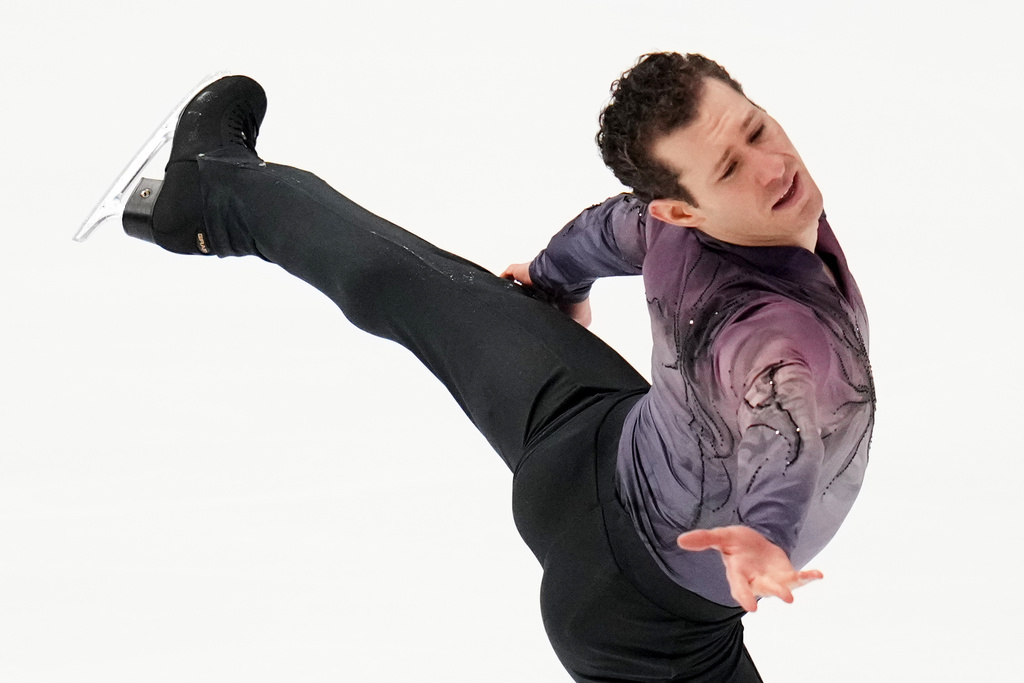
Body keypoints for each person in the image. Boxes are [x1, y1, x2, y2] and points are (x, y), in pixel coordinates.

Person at [102, 53, 874, 682]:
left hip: (591, 429)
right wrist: (765, 536)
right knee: (413, 283)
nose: (773, 168)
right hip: (648, 622)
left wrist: (549, 280)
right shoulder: (776, 335)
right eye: (733, 168)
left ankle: (218, 194)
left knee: (416, 285)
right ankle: (208, 192)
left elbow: (607, 230)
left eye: (758, 131)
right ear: (682, 208)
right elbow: (786, 426)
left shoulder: (669, 220)